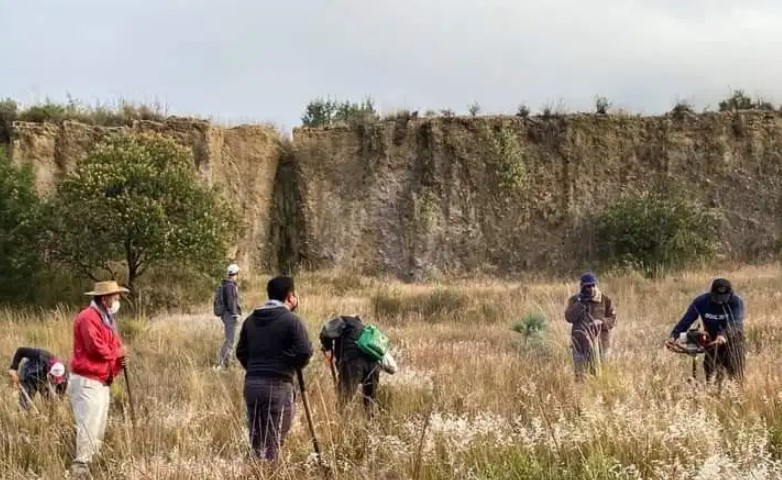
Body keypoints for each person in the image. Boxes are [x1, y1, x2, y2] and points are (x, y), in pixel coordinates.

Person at [236, 275, 313, 462]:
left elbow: (241, 352)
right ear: (289, 296)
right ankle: (269, 473)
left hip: (252, 384)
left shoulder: (250, 320)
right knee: (274, 441)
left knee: (256, 437)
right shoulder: (292, 320)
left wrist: (255, 368)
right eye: (294, 295)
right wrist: (289, 365)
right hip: (278, 384)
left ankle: (254, 471)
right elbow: (305, 351)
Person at [67, 280, 130, 478]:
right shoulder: (88, 318)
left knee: (98, 427)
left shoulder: (107, 319)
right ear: (104, 299)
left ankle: (90, 466)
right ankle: (80, 468)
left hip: (101, 381)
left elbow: (114, 347)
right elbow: (96, 348)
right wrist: (117, 352)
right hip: (87, 381)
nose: (118, 299)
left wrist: (121, 360)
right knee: (88, 426)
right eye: (115, 296)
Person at [667, 278, 745, 384]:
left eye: (723, 298)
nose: (720, 301)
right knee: (711, 376)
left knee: (735, 378)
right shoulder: (701, 302)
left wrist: (723, 336)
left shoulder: (736, 302)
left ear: (730, 294)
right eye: (717, 298)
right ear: (711, 293)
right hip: (712, 344)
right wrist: (674, 336)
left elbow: (735, 324)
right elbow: (687, 320)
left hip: (733, 343)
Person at [319, 315, 397, 416]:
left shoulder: (343, 321)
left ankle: (340, 426)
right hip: (373, 365)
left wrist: (327, 348)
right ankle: (370, 426)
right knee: (370, 402)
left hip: (353, 362)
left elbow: (326, 333)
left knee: (344, 399)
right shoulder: (364, 330)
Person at [564, 272, 617, 380]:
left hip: (600, 344)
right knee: (580, 377)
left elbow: (612, 320)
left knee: (599, 376)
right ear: (582, 287)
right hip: (580, 344)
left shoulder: (605, 300)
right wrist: (580, 304)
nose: (591, 288)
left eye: (593, 285)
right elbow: (569, 317)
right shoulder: (574, 300)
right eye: (588, 286)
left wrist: (601, 322)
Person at [215, 263, 242, 369]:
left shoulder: (226, 285)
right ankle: (220, 363)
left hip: (227, 315)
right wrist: (236, 314)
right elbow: (231, 302)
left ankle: (228, 362)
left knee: (231, 339)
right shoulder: (230, 286)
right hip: (230, 316)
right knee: (230, 340)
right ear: (235, 274)